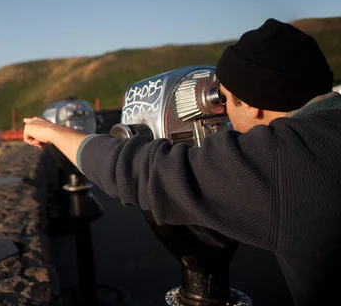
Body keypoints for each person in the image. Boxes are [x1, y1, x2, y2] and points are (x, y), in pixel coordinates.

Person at [22, 18, 341, 306]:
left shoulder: (286, 162)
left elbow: (143, 173)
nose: (223, 112)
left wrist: (53, 131)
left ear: (255, 106)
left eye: (225, 100)